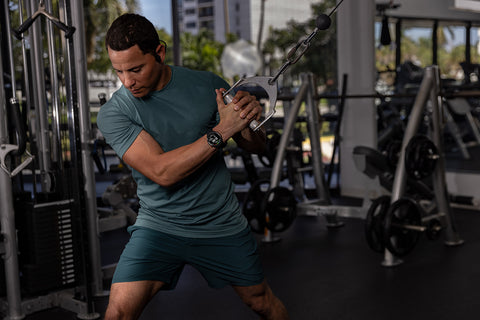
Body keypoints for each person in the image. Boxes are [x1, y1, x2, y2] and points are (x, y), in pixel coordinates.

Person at [97, 13, 289, 320]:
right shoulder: (114, 113)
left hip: (220, 222)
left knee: (261, 301)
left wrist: (245, 120)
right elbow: (162, 172)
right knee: (118, 312)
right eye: (118, 71)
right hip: (158, 226)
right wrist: (223, 130)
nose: (127, 81)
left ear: (159, 53)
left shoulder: (207, 85)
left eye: (135, 69)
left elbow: (256, 145)